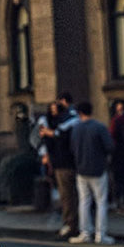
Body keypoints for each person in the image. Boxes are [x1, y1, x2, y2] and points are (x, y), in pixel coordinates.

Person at [69, 101, 115, 245]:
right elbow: (110, 146)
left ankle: (85, 233)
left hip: (81, 169)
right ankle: (100, 234)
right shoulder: (99, 127)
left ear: (79, 113)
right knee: (101, 202)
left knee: (84, 201)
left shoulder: (75, 129)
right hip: (98, 169)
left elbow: (72, 148)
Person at [40, 92, 80, 238]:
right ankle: (71, 223)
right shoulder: (59, 122)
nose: (53, 111)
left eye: (56, 107)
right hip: (61, 162)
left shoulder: (68, 122)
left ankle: (71, 224)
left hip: (65, 163)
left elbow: (60, 135)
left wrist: (50, 134)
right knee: (68, 195)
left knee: (67, 196)